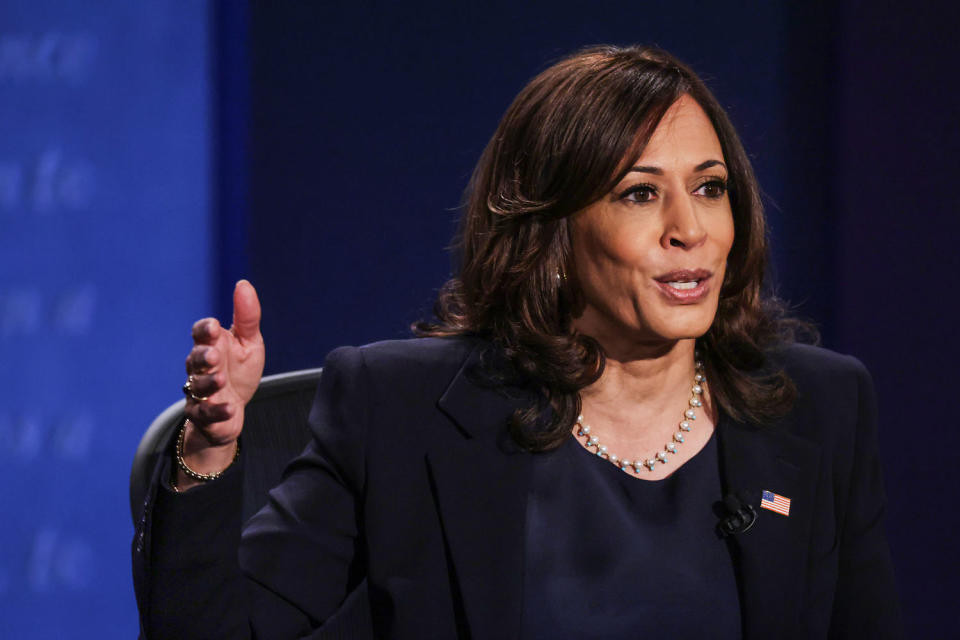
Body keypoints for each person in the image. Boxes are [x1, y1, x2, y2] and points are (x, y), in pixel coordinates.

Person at [132, 45, 902, 639]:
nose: (691, 230)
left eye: (710, 187)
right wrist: (209, 453)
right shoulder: (398, 409)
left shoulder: (820, 408)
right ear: (552, 226)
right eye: (640, 193)